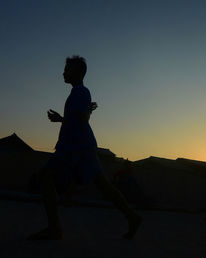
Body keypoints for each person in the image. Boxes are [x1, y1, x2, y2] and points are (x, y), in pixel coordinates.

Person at [28, 56, 142, 240]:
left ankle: (54, 228)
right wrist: (63, 119)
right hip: (80, 147)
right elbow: (80, 117)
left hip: (75, 147)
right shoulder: (78, 93)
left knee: (45, 176)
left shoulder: (81, 91)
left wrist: (75, 116)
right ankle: (132, 217)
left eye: (67, 68)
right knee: (104, 186)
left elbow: (82, 119)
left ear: (78, 72)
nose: (63, 72)